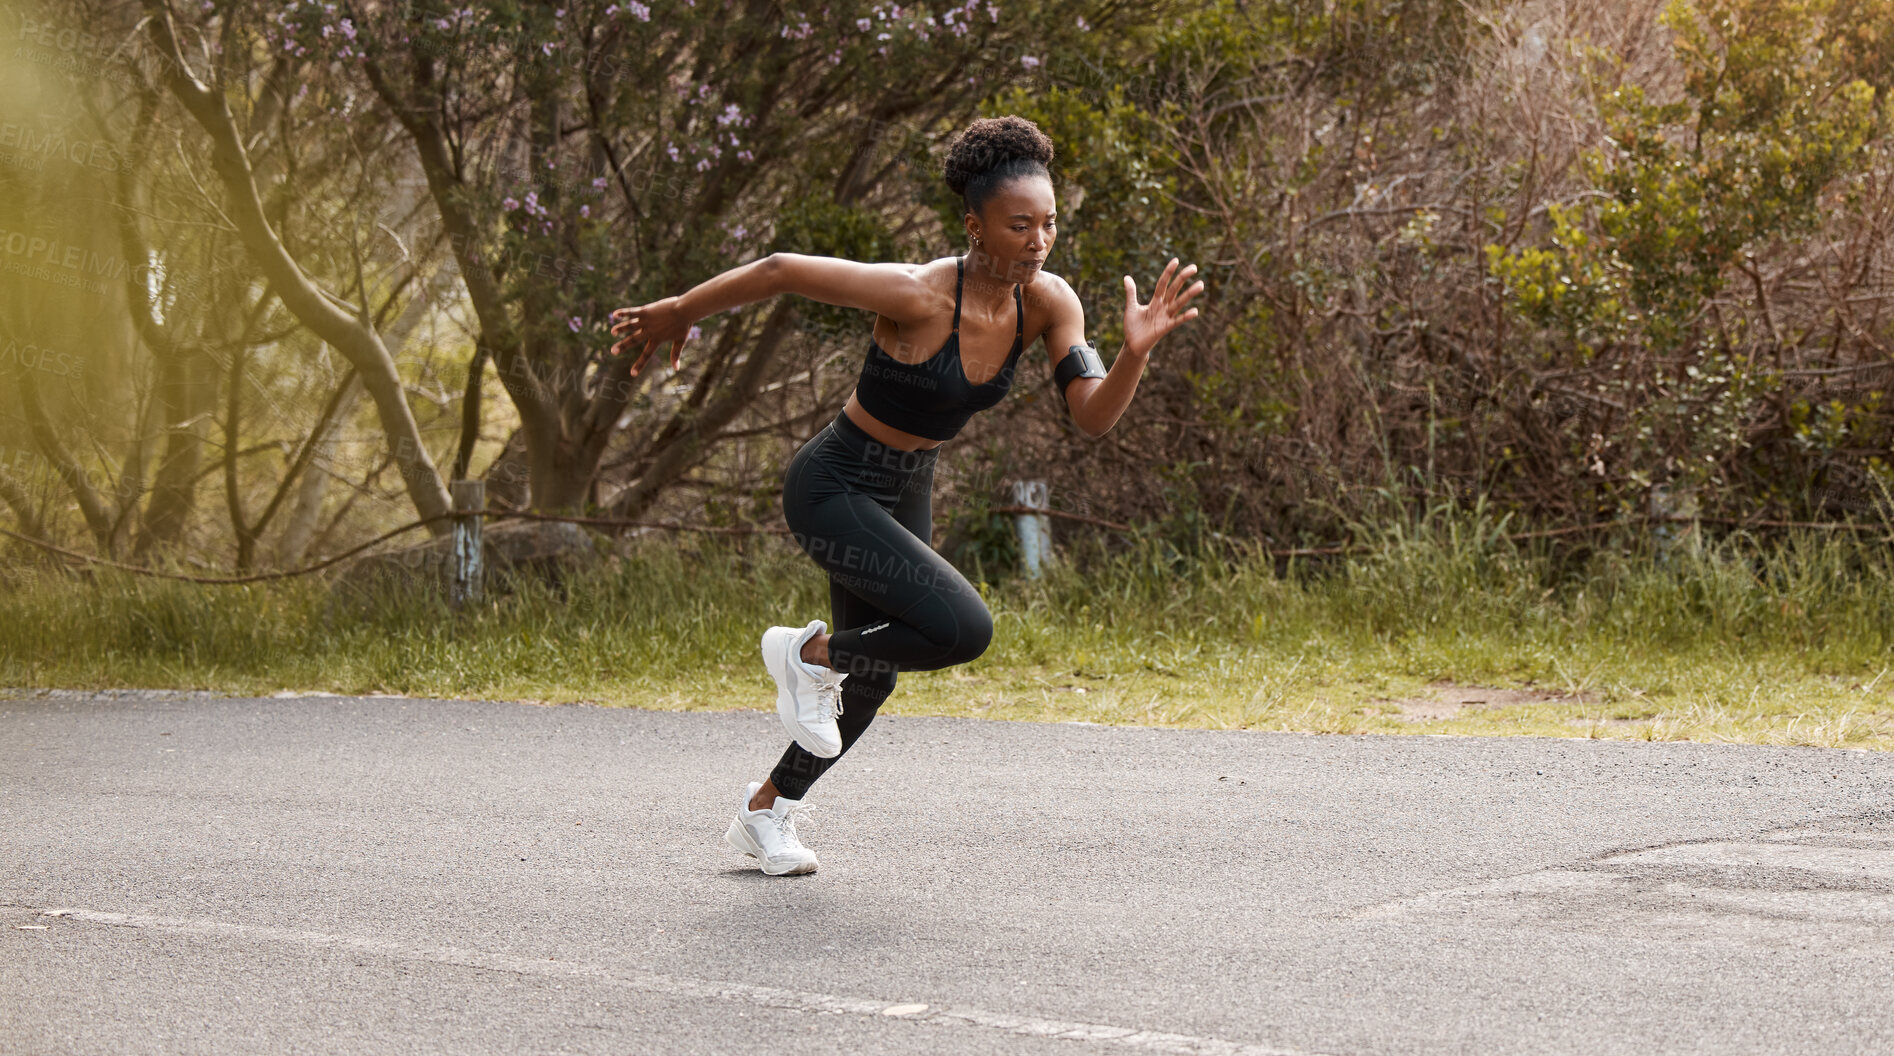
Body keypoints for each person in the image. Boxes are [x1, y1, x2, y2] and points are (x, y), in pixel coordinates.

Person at [607, 115, 1203, 875]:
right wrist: (678, 312)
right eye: (1019, 225)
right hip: (835, 483)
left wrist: (1133, 355)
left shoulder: (1050, 304)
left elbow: (1090, 416)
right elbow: (781, 268)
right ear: (974, 226)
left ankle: (768, 812)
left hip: (904, 487)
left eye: (1049, 223)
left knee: (878, 676)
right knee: (965, 628)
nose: (1038, 240)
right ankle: (808, 653)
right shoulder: (917, 293)